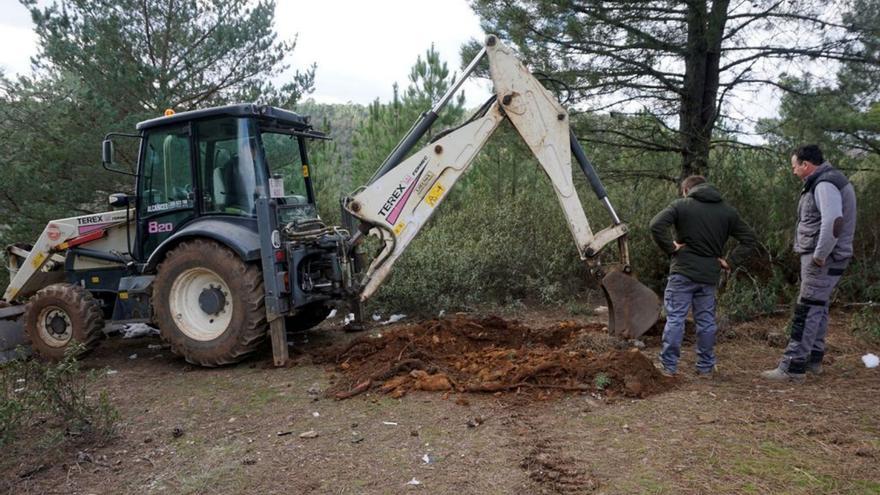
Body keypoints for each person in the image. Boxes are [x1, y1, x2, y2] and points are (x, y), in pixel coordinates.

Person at [761, 145, 857, 382]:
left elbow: (833, 221)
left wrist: (819, 255)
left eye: (794, 166)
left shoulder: (824, 184)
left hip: (823, 259)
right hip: (831, 256)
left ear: (806, 164)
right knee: (818, 307)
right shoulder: (828, 180)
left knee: (807, 309)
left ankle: (792, 368)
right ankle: (813, 360)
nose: (793, 171)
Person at [650, 175, 756, 376]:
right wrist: (730, 260)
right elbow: (749, 239)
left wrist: (671, 247)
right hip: (708, 275)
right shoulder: (727, 211)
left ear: (686, 190)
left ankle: (668, 366)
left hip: (682, 271)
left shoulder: (681, 205)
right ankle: (706, 367)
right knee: (706, 321)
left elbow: (656, 225)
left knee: (676, 319)